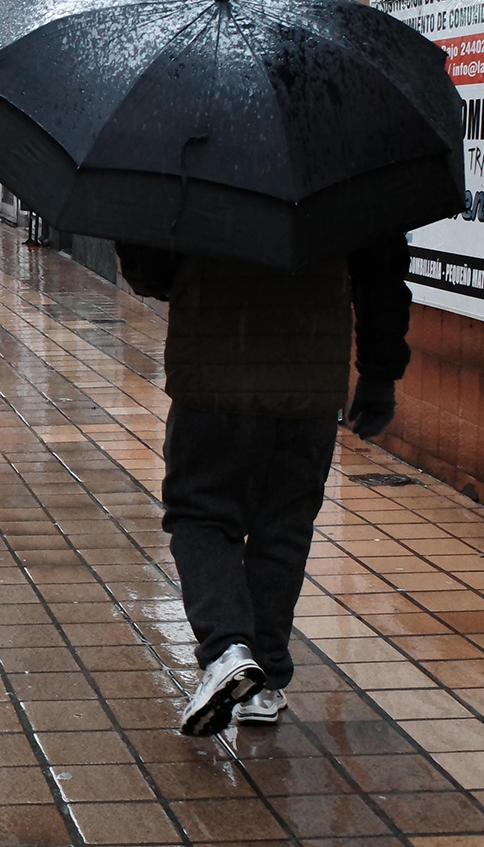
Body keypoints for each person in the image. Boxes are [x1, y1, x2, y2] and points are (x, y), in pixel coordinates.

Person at [115, 237, 410, 736]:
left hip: (214, 374)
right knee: (285, 526)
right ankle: (266, 681)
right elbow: (381, 271)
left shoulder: (196, 159)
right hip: (310, 382)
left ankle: (228, 650)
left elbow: (150, 270)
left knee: (201, 514)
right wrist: (380, 374)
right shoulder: (342, 166)